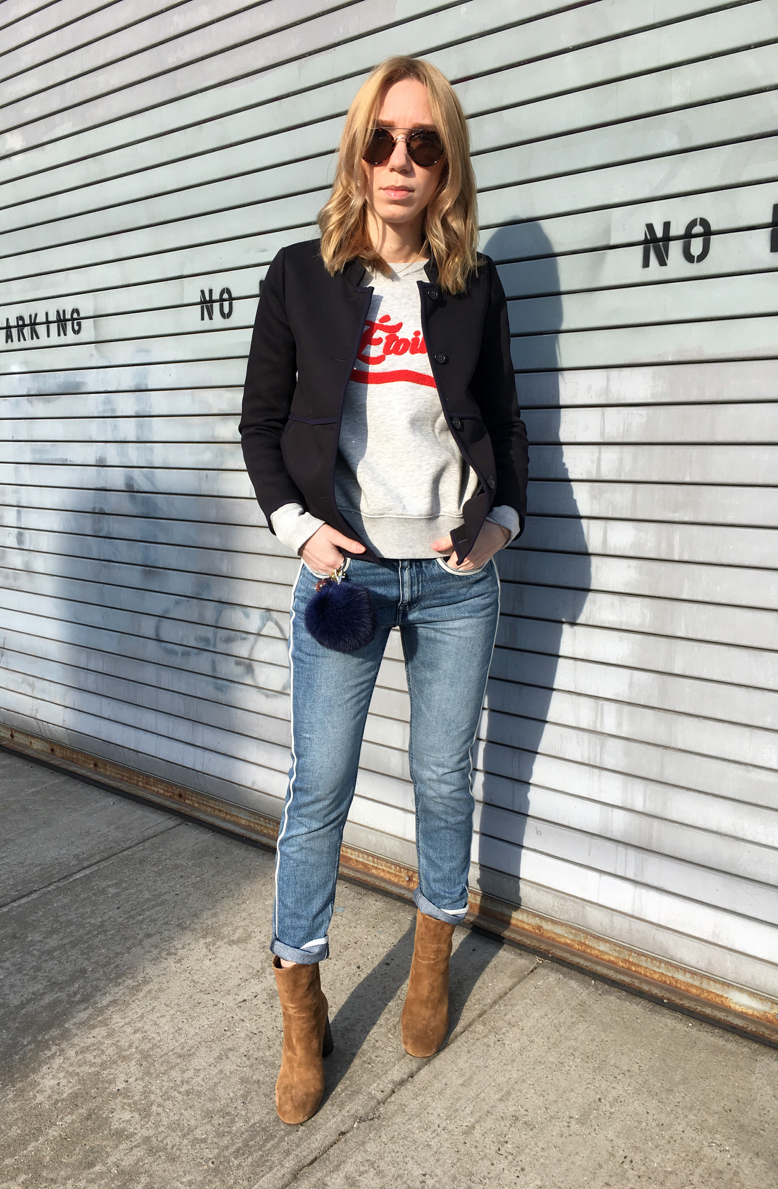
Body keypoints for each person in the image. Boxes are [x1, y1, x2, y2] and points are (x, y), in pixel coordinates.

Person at [239, 55, 528, 1124]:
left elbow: (506, 422)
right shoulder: (299, 276)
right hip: (347, 574)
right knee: (319, 786)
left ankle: (429, 960)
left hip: (454, 580)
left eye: (423, 143)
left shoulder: (472, 284)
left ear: (447, 166)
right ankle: (300, 1005)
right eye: (381, 139)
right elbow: (261, 424)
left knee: (444, 780)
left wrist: (499, 525)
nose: (399, 161)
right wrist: (299, 531)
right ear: (357, 152)